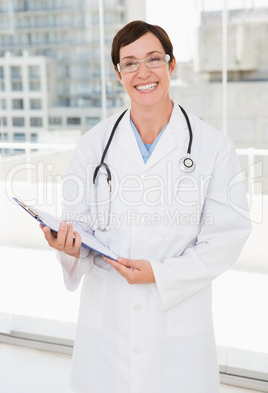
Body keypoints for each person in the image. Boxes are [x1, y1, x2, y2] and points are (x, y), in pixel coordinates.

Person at [41, 20, 251, 393]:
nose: (143, 72)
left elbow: (226, 237)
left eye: (153, 59)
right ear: (118, 74)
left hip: (178, 327)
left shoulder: (214, 148)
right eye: (130, 63)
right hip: (106, 328)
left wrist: (161, 274)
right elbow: (80, 227)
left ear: (171, 66)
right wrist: (68, 248)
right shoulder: (93, 145)